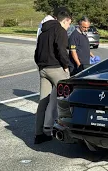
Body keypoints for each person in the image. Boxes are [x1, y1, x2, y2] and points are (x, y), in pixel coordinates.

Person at [34, 10, 72, 144]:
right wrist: (66, 66)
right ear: (65, 20)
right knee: (68, 97)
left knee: (43, 101)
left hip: (43, 69)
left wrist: (40, 66)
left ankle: (40, 134)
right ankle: (69, 131)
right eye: (69, 24)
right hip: (56, 68)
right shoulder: (60, 30)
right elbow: (62, 50)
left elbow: (36, 51)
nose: (68, 27)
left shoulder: (43, 31)